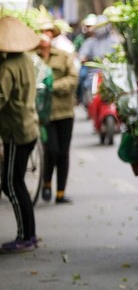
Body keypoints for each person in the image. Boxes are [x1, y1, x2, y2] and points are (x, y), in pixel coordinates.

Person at [0, 16, 41, 253]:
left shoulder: (7, 67)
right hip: (28, 126)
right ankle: (29, 234)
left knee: (12, 184)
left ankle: (26, 236)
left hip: (17, 131)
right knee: (14, 183)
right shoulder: (26, 59)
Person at [37, 24, 79, 204]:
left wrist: (53, 86)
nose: (44, 35)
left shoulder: (63, 56)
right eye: (41, 31)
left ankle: (61, 192)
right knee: (51, 150)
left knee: (63, 152)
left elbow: (73, 78)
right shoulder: (31, 58)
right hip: (44, 114)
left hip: (64, 111)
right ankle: (46, 182)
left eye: (47, 32)